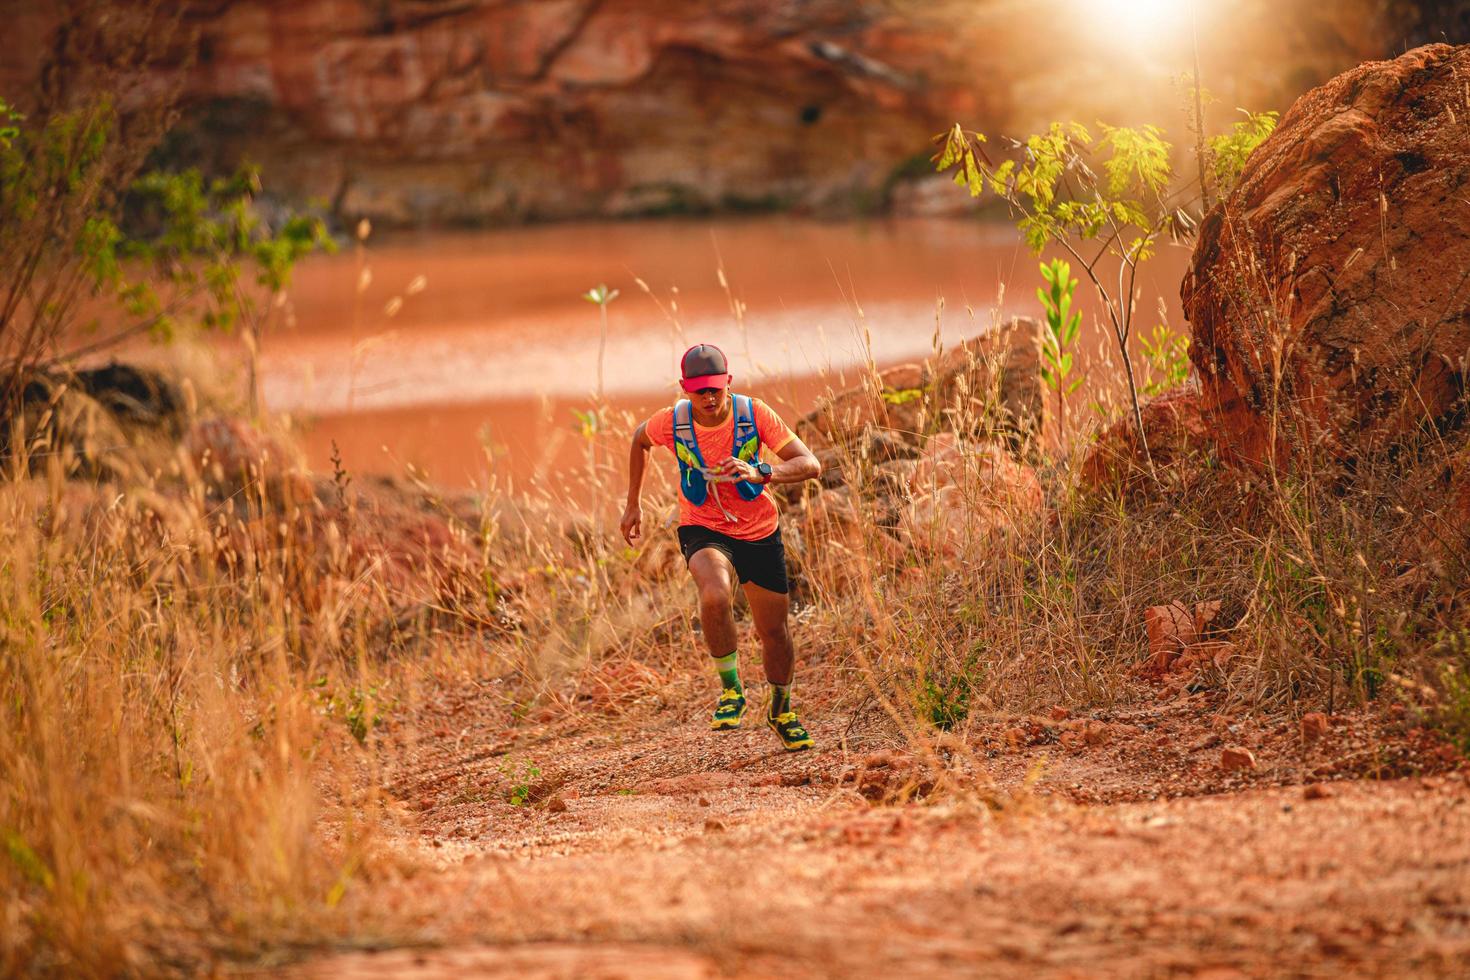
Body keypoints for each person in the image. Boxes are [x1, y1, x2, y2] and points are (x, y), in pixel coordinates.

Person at [620, 344, 822, 751]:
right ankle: (731, 690)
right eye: (699, 392)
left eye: (715, 389)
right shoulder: (671, 423)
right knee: (714, 594)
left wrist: (764, 470)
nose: (709, 399)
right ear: (684, 389)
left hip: (760, 530)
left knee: (775, 633)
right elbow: (639, 441)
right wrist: (632, 503)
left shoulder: (754, 414)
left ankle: (781, 710)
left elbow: (810, 464)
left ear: (728, 382)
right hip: (702, 526)